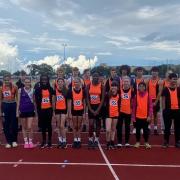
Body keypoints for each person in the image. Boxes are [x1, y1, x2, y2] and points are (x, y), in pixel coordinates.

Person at [34, 74, 55, 148]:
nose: (44, 81)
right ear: (41, 80)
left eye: (45, 79)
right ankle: (43, 140)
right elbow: (36, 101)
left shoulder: (50, 89)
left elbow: (54, 98)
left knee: (49, 125)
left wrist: (53, 109)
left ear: (48, 80)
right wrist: (36, 111)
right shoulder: (38, 89)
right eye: (43, 79)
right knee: (43, 126)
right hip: (41, 110)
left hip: (49, 109)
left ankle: (49, 140)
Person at [86, 72, 105, 148]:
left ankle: (96, 139)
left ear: (99, 78)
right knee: (91, 124)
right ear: (92, 77)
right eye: (94, 76)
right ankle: (90, 139)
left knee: (98, 124)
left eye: (97, 77)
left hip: (99, 107)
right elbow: (87, 98)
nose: (96, 78)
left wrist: (97, 110)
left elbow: (103, 99)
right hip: (91, 107)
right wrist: (90, 109)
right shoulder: (88, 86)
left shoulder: (102, 86)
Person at [132, 82, 153, 149]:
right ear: (138, 88)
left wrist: (149, 115)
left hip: (145, 117)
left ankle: (146, 142)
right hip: (137, 116)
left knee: (145, 131)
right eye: (140, 86)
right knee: (137, 130)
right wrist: (133, 116)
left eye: (142, 86)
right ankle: (137, 142)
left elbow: (150, 106)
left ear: (145, 87)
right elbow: (134, 107)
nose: (141, 87)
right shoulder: (136, 96)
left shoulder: (148, 95)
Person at [161, 73, 180, 148]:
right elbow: (163, 100)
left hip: (177, 111)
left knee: (178, 127)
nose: (175, 80)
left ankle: (177, 141)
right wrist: (164, 110)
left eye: (176, 79)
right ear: (169, 79)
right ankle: (166, 141)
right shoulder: (165, 89)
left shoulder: (178, 89)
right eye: (173, 79)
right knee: (167, 127)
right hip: (168, 111)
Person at [0, 74, 18, 148]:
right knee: (5, 124)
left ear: (10, 79)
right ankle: (8, 141)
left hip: (13, 105)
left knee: (14, 124)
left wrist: (17, 110)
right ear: (4, 80)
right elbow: (0, 100)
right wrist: (0, 111)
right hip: (5, 106)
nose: (7, 81)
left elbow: (17, 98)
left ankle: (14, 140)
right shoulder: (1, 88)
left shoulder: (15, 87)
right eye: (5, 80)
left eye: (8, 80)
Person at [16, 77, 35, 148]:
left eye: (28, 82)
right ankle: (26, 142)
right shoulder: (20, 90)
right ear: (24, 83)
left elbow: (34, 100)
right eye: (26, 82)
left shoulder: (33, 90)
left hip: (30, 110)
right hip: (22, 110)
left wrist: (35, 110)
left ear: (30, 82)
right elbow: (18, 101)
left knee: (29, 127)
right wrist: (17, 111)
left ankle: (30, 141)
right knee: (24, 127)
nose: (27, 83)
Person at [67, 77, 85, 148]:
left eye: (78, 82)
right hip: (73, 111)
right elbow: (69, 103)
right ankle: (75, 140)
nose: (76, 83)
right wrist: (69, 113)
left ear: (80, 83)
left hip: (80, 110)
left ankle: (79, 140)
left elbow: (84, 102)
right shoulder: (70, 91)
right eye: (75, 82)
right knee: (75, 126)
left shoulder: (83, 91)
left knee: (79, 126)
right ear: (73, 83)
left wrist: (84, 113)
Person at [116, 76, 134, 148]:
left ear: (129, 83)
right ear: (122, 82)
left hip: (128, 112)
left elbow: (133, 102)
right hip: (120, 111)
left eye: (127, 81)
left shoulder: (132, 91)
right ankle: (119, 142)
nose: (126, 83)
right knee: (119, 127)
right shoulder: (119, 90)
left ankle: (127, 142)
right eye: (125, 81)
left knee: (127, 127)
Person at [147, 67, 162, 135]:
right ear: (151, 72)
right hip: (149, 100)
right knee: (149, 114)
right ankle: (149, 128)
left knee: (155, 115)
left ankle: (155, 128)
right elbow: (146, 91)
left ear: (158, 72)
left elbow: (159, 92)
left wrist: (156, 102)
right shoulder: (148, 80)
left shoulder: (159, 81)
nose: (154, 73)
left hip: (156, 99)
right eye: (153, 71)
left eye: (156, 71)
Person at [132, 66, 146, 134]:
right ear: (136, 72)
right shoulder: (133, 80)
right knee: (134, 113)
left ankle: (142, 127)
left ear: (142, 72)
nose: (139, 72)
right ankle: (135, 127)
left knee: (142, 112)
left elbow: (146, 90)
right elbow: (131, 89)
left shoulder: (144, 80)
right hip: (135, 99)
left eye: (140, 71)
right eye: (138, 71)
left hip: (143, 99)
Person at [55, 78, 68, 148]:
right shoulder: (55, 90)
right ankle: (60, 140)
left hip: (64, 110)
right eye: (59, 82)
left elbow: (68, 101)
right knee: (58, 126)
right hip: (57, 110)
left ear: (63, 83)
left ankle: (64, 141)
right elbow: (54, 101)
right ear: (57, 83)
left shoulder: (66, 90)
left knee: (62, 125)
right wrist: (54, 111)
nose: (60, 83)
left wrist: (68, 112)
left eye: (61, 81)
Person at [106, 81, 119, 149]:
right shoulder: (108, 95)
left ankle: (112, 142)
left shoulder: (119, 95)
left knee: (113, 129)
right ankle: (108, 142)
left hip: (116, 114)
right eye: (112, 86)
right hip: (108, 114)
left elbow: (119, 105)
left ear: (117, 87)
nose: (113, 87)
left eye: (115, 86)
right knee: (108, 129)